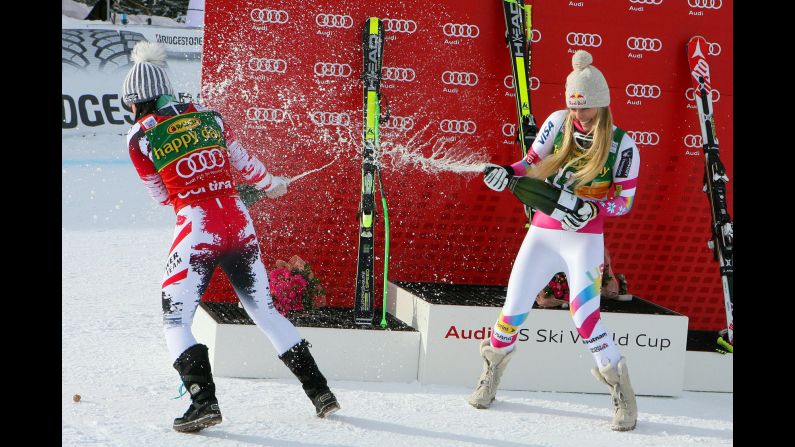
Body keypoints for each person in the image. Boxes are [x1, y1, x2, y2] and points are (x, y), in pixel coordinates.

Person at [122, 41, 340, 433]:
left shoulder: (138, 136)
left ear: (138, 102)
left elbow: (160, 196)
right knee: (265, 312)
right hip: (239, 222)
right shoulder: (211, 116)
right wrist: (271, 184)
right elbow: (249, 167)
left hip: (196, 228)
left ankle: (203, 403)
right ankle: (320, 392)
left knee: (175, 322)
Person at [469, 50, 640, 431]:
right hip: (544, 234)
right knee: (512, 309)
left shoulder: (623, 146)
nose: (580, 117)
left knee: (585, 318)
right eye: (575, 108)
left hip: (584, 240)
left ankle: (623, 396)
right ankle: (491, 375)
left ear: (602, 105)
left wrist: (595, 210)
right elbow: (529, 163)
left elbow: (624, 202)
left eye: (588, 109)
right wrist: (503, 172)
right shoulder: (558, 122)